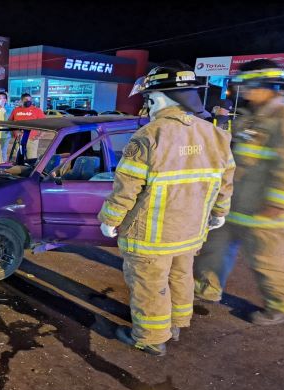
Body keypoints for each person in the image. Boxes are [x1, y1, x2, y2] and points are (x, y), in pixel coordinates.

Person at [98, 61, 235, 356]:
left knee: (149, 283)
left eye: (148, 99)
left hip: (151, 234)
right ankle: (176, 324)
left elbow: (127, 188)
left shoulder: (149, 136)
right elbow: (225, 182)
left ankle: (150, 336)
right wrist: (219, 213)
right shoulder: (216, 136)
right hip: (190, 231)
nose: (147, 105)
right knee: (181, 275)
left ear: (158, 98)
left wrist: (110, 219)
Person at [193, 59, 284, 325]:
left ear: (267, 85)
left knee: (267, 257)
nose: (243, 91)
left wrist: (279, 203)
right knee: (214, 248)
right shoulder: (250, 119)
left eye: (249, 85)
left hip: (266, 210)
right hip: (235, 204)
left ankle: (281, 307)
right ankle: (206, 289)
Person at [8, 93, 46, 161]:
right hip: (19, 139)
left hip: (32, 139)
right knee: (18, 158)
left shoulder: (37, 110)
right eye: (26, 99)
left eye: (29, 99)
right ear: (22, 100)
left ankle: (30, 171)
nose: (28, 101)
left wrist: (40, 135)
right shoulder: (16, 110)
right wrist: (15, 131)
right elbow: (10, 122)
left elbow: (44, 124)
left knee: (31, 159)